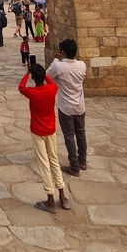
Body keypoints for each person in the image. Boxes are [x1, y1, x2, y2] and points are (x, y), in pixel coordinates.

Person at [19, 59, 70, 214]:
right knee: (54, 160)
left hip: (38, 131)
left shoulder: (32, 93)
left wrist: (28, 73)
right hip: (50, 130)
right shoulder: (52, 89)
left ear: (34, 77)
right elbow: (51, 83)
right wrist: (41, 73)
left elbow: (21, 87)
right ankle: (62, 195)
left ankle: (50, 199)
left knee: (44, 164)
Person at [48, 39, 87, 177]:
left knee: (69, 136)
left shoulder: (59, 66)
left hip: (65, 107)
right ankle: (82, 161)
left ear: (62, 52)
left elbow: (47, 75)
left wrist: (55, 59)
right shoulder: (82, 65)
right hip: (79, 105)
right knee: (81, 133)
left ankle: (74, 166)